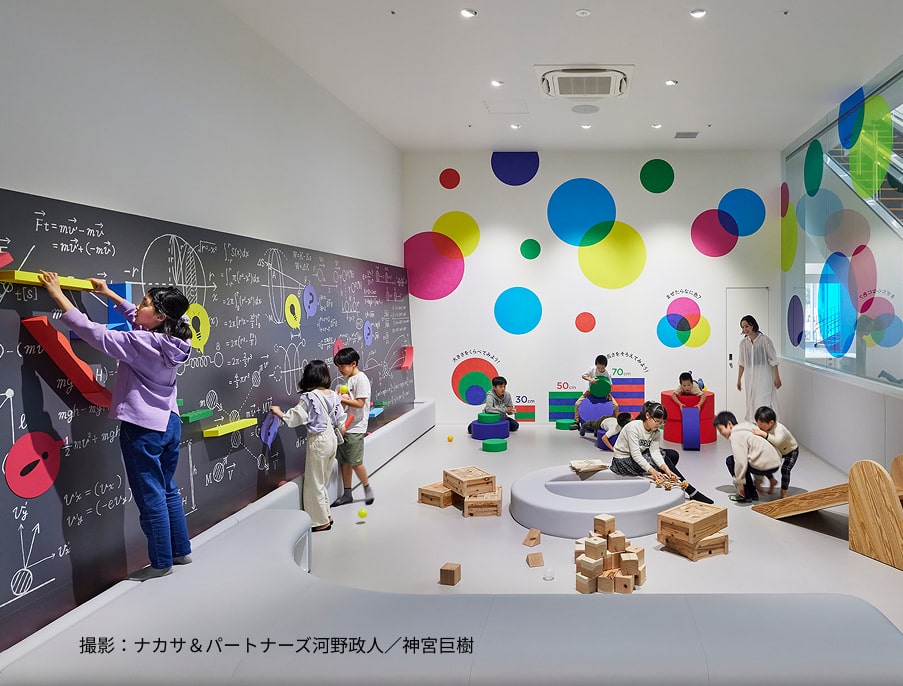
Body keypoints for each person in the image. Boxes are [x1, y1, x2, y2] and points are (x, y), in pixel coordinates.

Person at [38, 270, 192, 581]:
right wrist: (109, 294)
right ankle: (181, 551)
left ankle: (161, 562)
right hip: (169, 423)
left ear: (160, 316)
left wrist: (57, 294)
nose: (139, 306)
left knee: (150, 496)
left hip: (144, 429)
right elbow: (140, 317)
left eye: (145, 302)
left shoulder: (140, 343)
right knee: (167, 489)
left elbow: (94, 333)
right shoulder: (178, 338)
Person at [270, 360, 345, 532]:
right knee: (322, 481)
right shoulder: (333, 395)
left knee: (314, 482)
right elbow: (340, 419)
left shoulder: (310, 397)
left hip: (319, 441)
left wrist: (279, 412)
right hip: (332, 438)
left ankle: (320, 522)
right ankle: (327, 514)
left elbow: (294, 418)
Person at [610, 401, 714, 503]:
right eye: (657, 421)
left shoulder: (656, 432)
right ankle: (691, 491)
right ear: (647, 416)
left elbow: (655, 452)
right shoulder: (633, 428)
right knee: (666, 459)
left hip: (639, 455)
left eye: (662, 422)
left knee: (673, 455)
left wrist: (666, 469)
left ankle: (667, 477)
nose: (659, 425)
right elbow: (636, 455)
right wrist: (653, 471)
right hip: (623, 460)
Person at [330, 347, 374, 506]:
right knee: (344, 462)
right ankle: (347, 494)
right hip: (344, 427)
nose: (340, 369)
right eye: (338, 367)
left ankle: (367, 489)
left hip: (356, 427)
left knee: (355, 462)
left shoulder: (361, 379)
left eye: (342, 366)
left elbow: (360, 403)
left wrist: (339, 399)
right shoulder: (347, 379)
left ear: (353, 363)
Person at [713, 410, 782, 503]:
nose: (721, 433)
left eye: (720, 429)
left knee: (731, 461)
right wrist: (758, 482)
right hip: (775, 462)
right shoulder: (747, 427)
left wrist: (739, 484)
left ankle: (746, 496)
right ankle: (753, 494)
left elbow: (740, 462)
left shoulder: (735, 435)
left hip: (765, 465)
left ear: (729, 424)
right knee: (746, 459)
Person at [737, 315, 781, 422]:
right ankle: (755, 424)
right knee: (751, 401)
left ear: (753, 325)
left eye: (747, 326)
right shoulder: (743, 344)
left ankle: (767, 425)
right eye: (743, 327)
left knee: (764, 401)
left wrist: (777, 377)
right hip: (750, 378)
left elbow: (773, 360)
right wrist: (739, 379)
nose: (745, 329)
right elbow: (741, 363)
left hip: (764, 376)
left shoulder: (765, 340)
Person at [752, 405, 799, 499]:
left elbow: (778, 441)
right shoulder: (764, 428)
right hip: (778, 451)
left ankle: (783, 491)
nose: (759, 428)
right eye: (758, 424)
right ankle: (772, 480)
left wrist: (764, 434)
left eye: (761, 425)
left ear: (771, 423)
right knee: (764, 463)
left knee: (785, 470)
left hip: (791, 451)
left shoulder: (779, 429)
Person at [571, 354, 619, 429]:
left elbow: (610, 385)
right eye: (598, 367)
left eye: (602, 368)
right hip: (590, 391)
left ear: (605, 366)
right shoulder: (592, 369)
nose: (600, 369)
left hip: (604, 393)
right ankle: (576, 422)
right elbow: (583, 376)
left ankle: (617, 424)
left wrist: (607, 393)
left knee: (615, 406)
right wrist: (591, 379)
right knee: (577, 403)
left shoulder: (607, 374)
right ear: (596, 365)